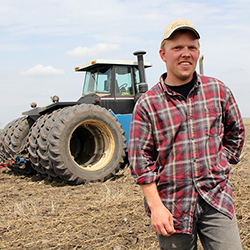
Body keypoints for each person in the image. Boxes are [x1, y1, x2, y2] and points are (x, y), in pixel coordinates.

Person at [128, 19, 245, 250]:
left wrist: (221, 162)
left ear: (198, 53)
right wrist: (156, 207)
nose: (186, 54)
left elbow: (236, 132)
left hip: (216, 199)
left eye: (191, 47)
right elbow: (141, 162)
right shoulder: (147, 104)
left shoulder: (218, 91)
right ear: (163, 54)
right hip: (172, 207)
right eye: (177, 48)